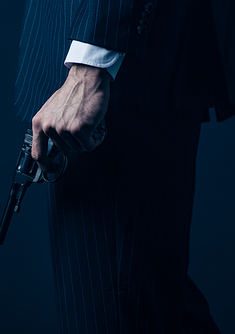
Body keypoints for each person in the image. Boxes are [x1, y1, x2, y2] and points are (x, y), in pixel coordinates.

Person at [14, 0, 235, 332]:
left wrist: (93, 61)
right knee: (150, 304)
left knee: (119, 309)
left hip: (119, 68)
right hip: (113, 58)